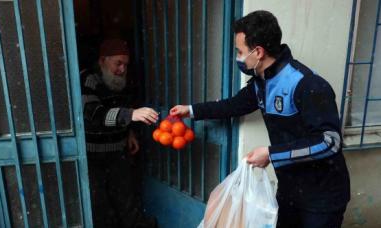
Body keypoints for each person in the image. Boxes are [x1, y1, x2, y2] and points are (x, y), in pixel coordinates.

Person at [170, 10, 350, 228]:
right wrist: (189, 110)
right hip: (289, 191)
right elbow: (234, 105)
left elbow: (329, 142)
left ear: (258, 52)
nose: (238, 57)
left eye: (240, 51)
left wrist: (271, 154)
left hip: (322, 196)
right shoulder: (261, 83)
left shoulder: (307, 84)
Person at [81, 38, 158, 227]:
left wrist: (129, 133)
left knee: (126, 198)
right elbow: (95, 115)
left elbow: (124, 106)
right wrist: (132, 115)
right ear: (102, 61)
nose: (122, 69)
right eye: (118, 63)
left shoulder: (123, 81)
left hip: (117, 151)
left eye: (125, 64)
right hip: (92, 154)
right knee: (98, 203)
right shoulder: (88, 79)